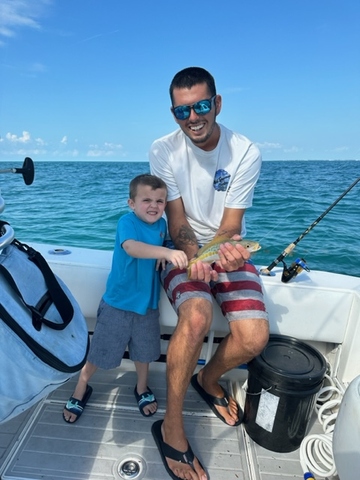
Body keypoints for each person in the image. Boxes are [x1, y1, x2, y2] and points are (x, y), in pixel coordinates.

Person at [149, 67, 269, 480]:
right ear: (173, 113)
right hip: (180, 251)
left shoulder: (245, 152)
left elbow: (231, 226)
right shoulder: (163, 150)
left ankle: (209, 378)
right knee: (196, 314)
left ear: (217, 104)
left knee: (254, 337)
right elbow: (177, 221)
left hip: (227, 246)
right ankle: (172, 426)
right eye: (183, 111)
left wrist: (221, 256)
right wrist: (194, 257)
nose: (193, 118)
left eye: (201, 106)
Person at [62, 174, 188, 423]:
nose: (154, 206)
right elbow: (132, 247)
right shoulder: (126, 222)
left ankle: (141, 388)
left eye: (160, 201)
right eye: (146, 200)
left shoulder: (162, 224)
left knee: (144, 352)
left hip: (147, 306)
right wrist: (166, 251)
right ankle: (82, 386)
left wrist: (165, 251)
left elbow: (160, 243)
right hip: (117, 304)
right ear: (131, 203)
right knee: (100, 351)